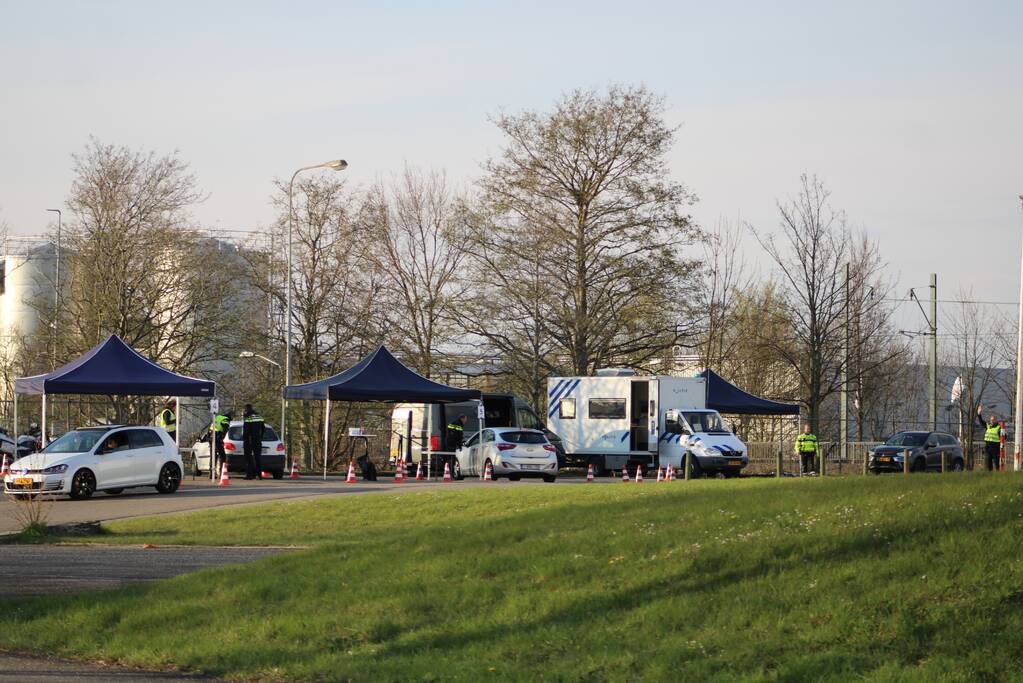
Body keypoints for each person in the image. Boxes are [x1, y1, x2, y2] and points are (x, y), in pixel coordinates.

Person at [242, 404, 265, 480]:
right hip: (257, 439)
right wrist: (260, 437)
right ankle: (259, 475)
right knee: (258, 457)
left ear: (246, 410)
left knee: (248, 458)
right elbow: (263, 429)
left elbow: (246, 430)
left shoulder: (248, 418)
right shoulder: (259, 417)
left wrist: (244, 438)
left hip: (249, 440)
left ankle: (249, 475)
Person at [977, 405, 1002, 471]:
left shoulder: (998, 427)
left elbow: (1004, 437)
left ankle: (998, 474)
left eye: (993, 420)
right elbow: (981, 422)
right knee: (988, 463)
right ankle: (990, 474)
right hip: (988, 447)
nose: (992, 421)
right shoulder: (988, 426)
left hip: (995, 447)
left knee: (996, 463)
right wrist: (979, 414)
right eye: (991, 420)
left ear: (996, 420)